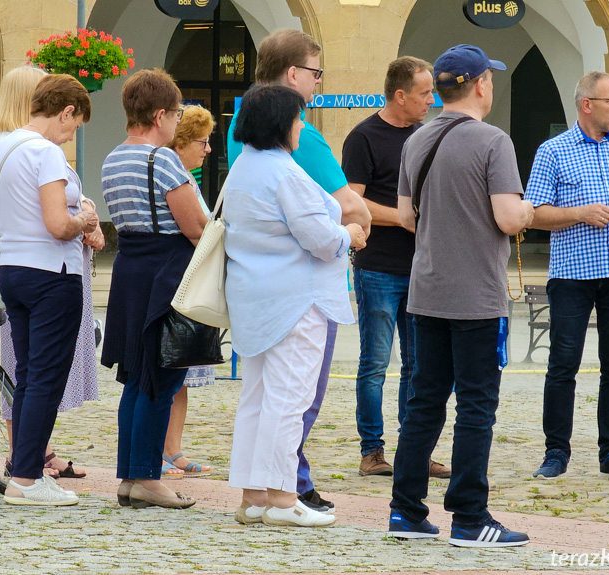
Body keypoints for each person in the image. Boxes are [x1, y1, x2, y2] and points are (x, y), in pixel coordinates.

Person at [388, 44, 533, 547]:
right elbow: (510, 218)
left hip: (427, 290)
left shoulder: (416, 139)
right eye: (489, 78)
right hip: (476, 295)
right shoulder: (494, 142)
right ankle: (470, 518)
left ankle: (406, 511)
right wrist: (529, 209)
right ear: (480, 84)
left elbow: (407, 218)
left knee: (423, 402)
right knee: (476, 406)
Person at [227, 27, 371, 514]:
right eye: (296, 120)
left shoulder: (244, 166)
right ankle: (284, 497)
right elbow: (321, 237)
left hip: (256, 295)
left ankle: (253, 496)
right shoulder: (285, 171)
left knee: (258, 398)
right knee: (289, 398)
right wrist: (349, 236)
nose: (301, 125)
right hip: (296, 298)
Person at [526, 71, 609, 481]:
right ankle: (556, 453)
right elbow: (534, 213)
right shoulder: (553, 151)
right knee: (563, 364)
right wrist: (579, 214)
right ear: (588, 105)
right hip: (572, 275)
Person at [0, 73, 99, 505]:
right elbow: (58, 225)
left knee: (30, 376)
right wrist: (85, 220)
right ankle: (28, 478)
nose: (70, 135)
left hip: (13, 269)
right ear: (65, 111)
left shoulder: (1, 146)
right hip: (53, 272)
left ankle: (27, 471)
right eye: (74, 126)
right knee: (46, 378)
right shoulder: (46, 152)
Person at [101, 69, 208, 510]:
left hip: (131, 270)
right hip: (166, 273)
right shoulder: (161, 160)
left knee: (135, 378)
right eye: (177, 112)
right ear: (161, 114)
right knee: (161, 379)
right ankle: (146, 475)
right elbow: (195, 227)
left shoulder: (111, 159)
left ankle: (131, 475)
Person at [341, 56, 450, 479]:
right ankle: (372, 452)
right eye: (424, 93)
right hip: (379, 267)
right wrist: (402, 217)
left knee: (419, 365)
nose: (431, 100)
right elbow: (352, 201)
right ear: (400, 95)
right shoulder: (363, 137)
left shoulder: (426, 137)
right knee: (375, 363)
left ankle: (415, 451)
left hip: (422, 268)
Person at [162, 104, 216, 477]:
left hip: (190, 282)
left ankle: (173, 449)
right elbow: (198, 229)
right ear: (181, 143)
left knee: (181, 379)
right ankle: (162, 451)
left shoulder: (189, 178)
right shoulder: (174, 176)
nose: (208, 149)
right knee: (168, 375)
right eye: (203, 141)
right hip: (178, 282)